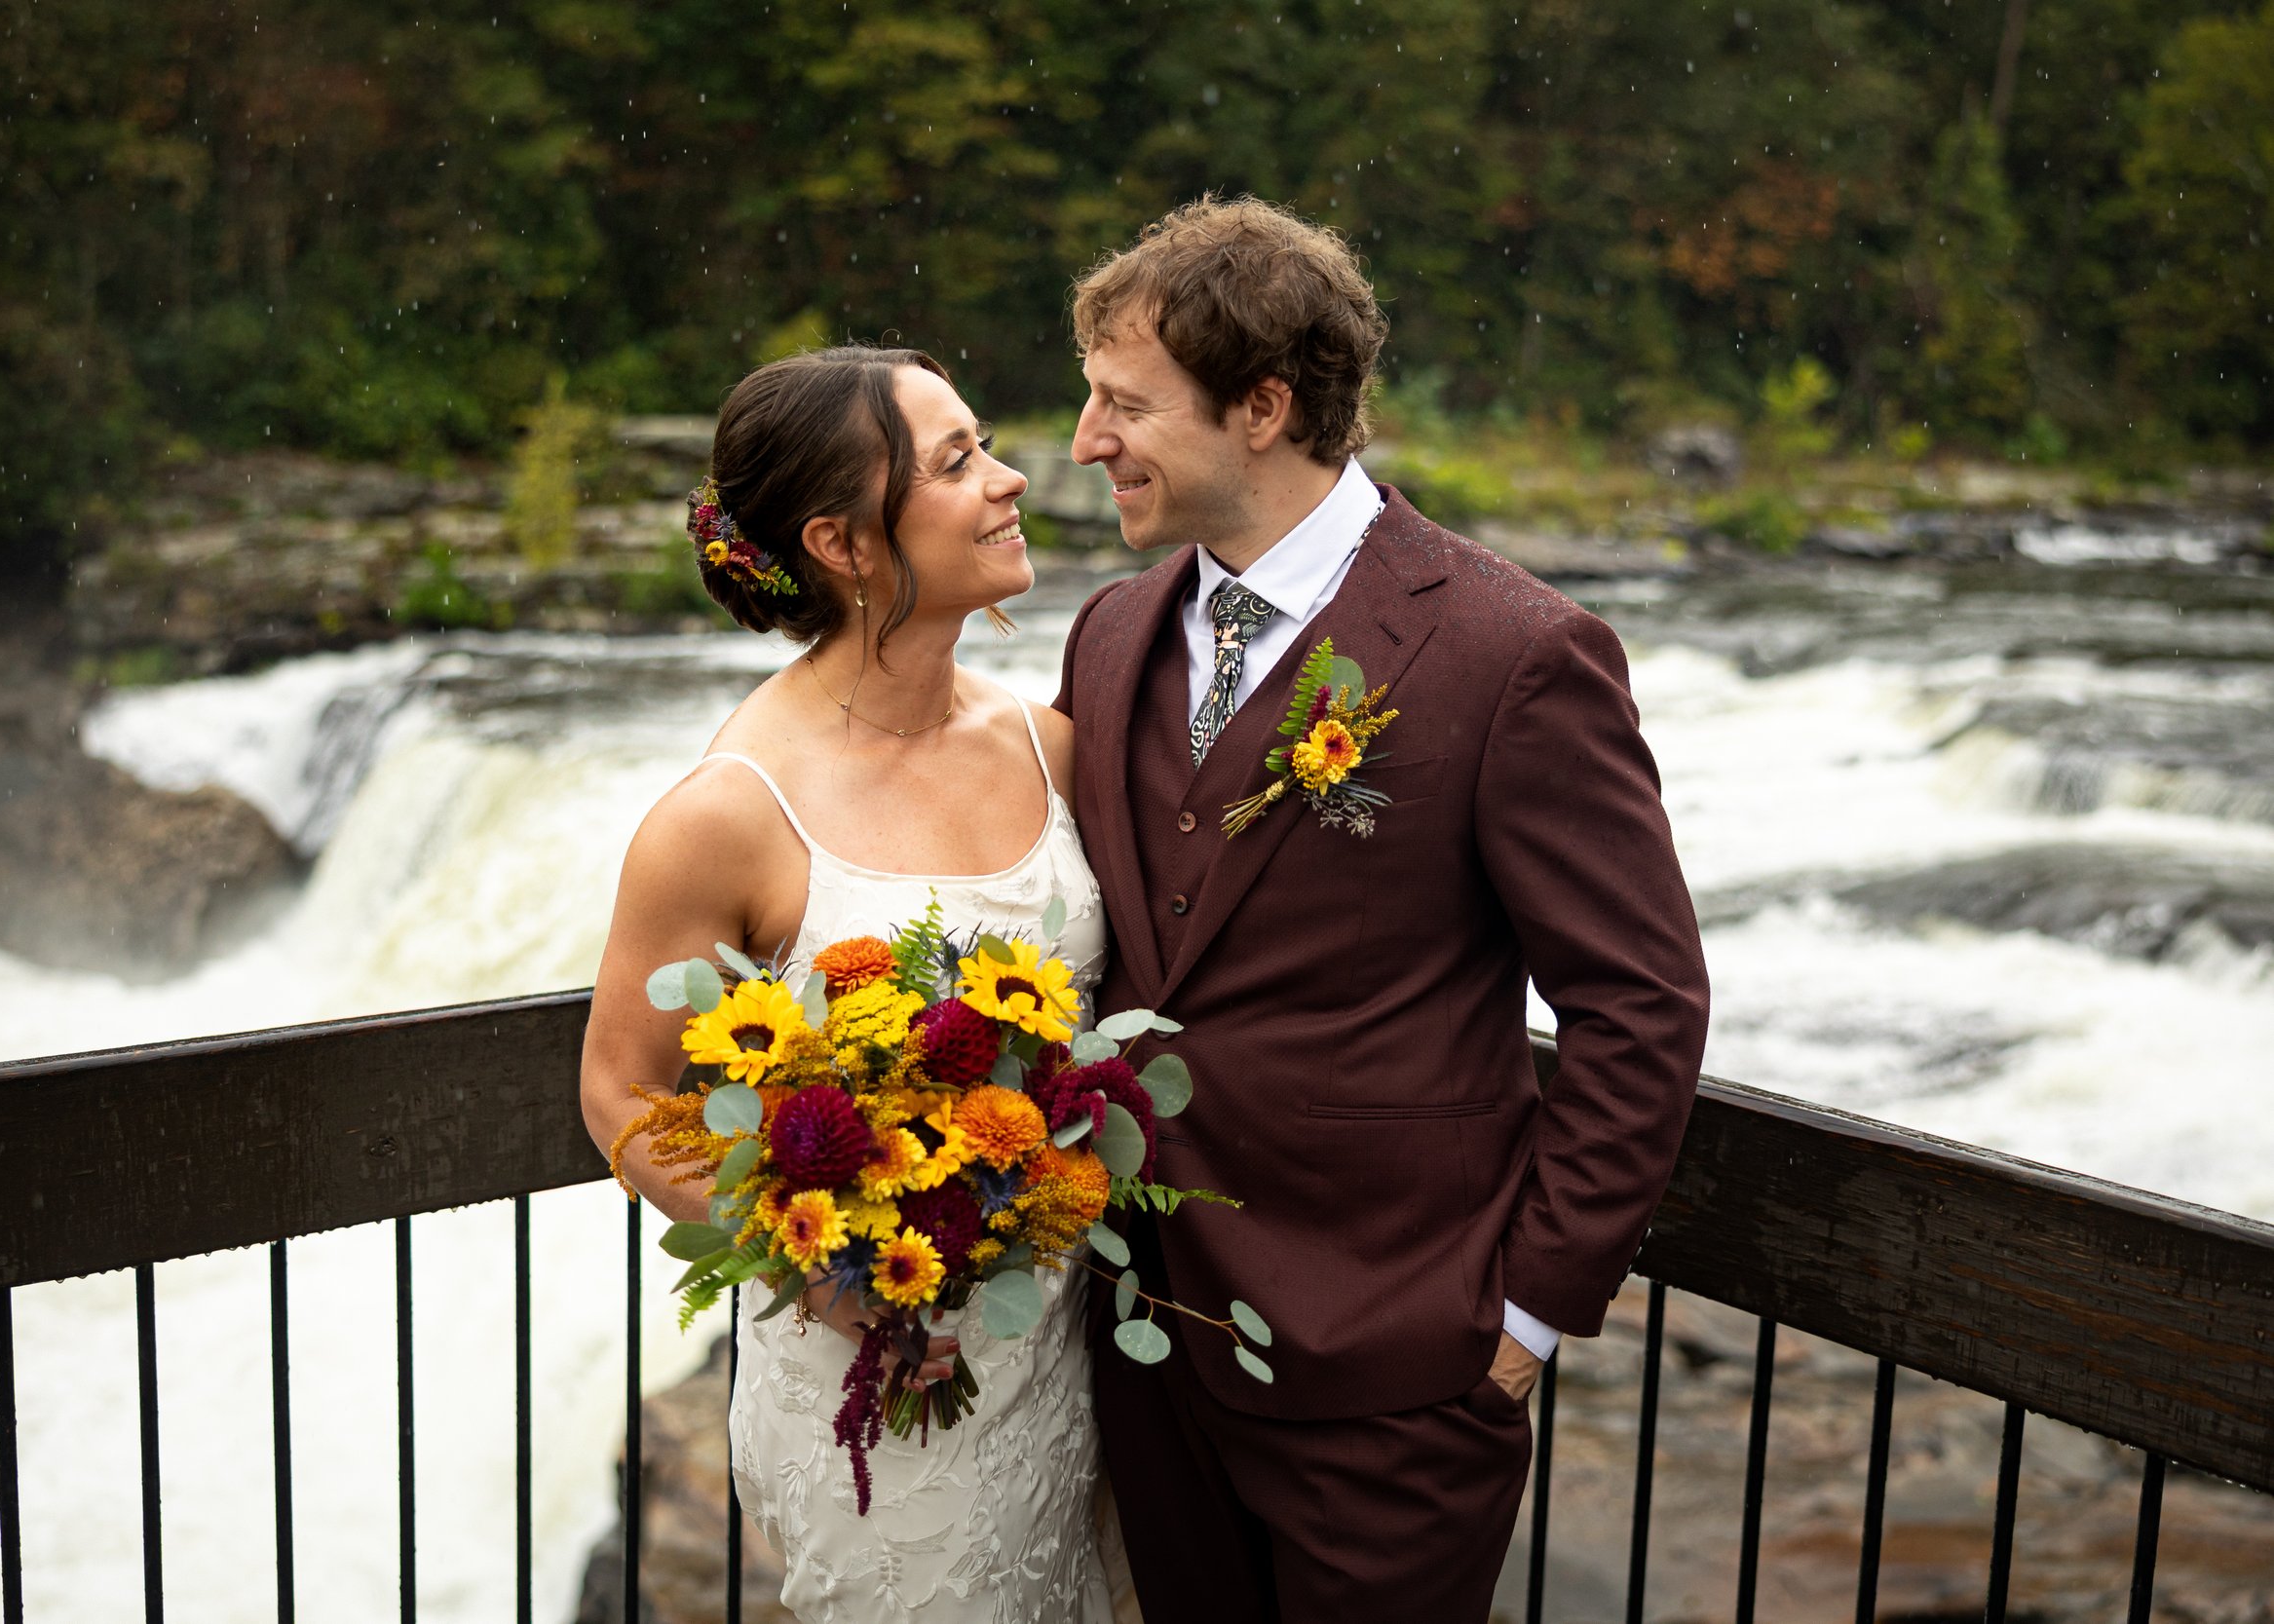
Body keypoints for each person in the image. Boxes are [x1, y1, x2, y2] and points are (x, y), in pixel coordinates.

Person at [1054, 195, 1711, 1620]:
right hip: (1146, 1343)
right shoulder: (1110, 632)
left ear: (1265, 407)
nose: (1086, 442)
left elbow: (1640, 1006)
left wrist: (1524, 1322)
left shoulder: (1516, 653)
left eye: (1124, 405)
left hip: (1397, 1372)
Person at [580, 347, 1124, 1622]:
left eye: (983, 446)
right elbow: (620, 1091)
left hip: (1063, 1355)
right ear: (843, 541)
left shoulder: (1052, 748)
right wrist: (824, 1277)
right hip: (878, 1382)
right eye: (956, 463)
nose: (1008, 482)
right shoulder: (729, 813)